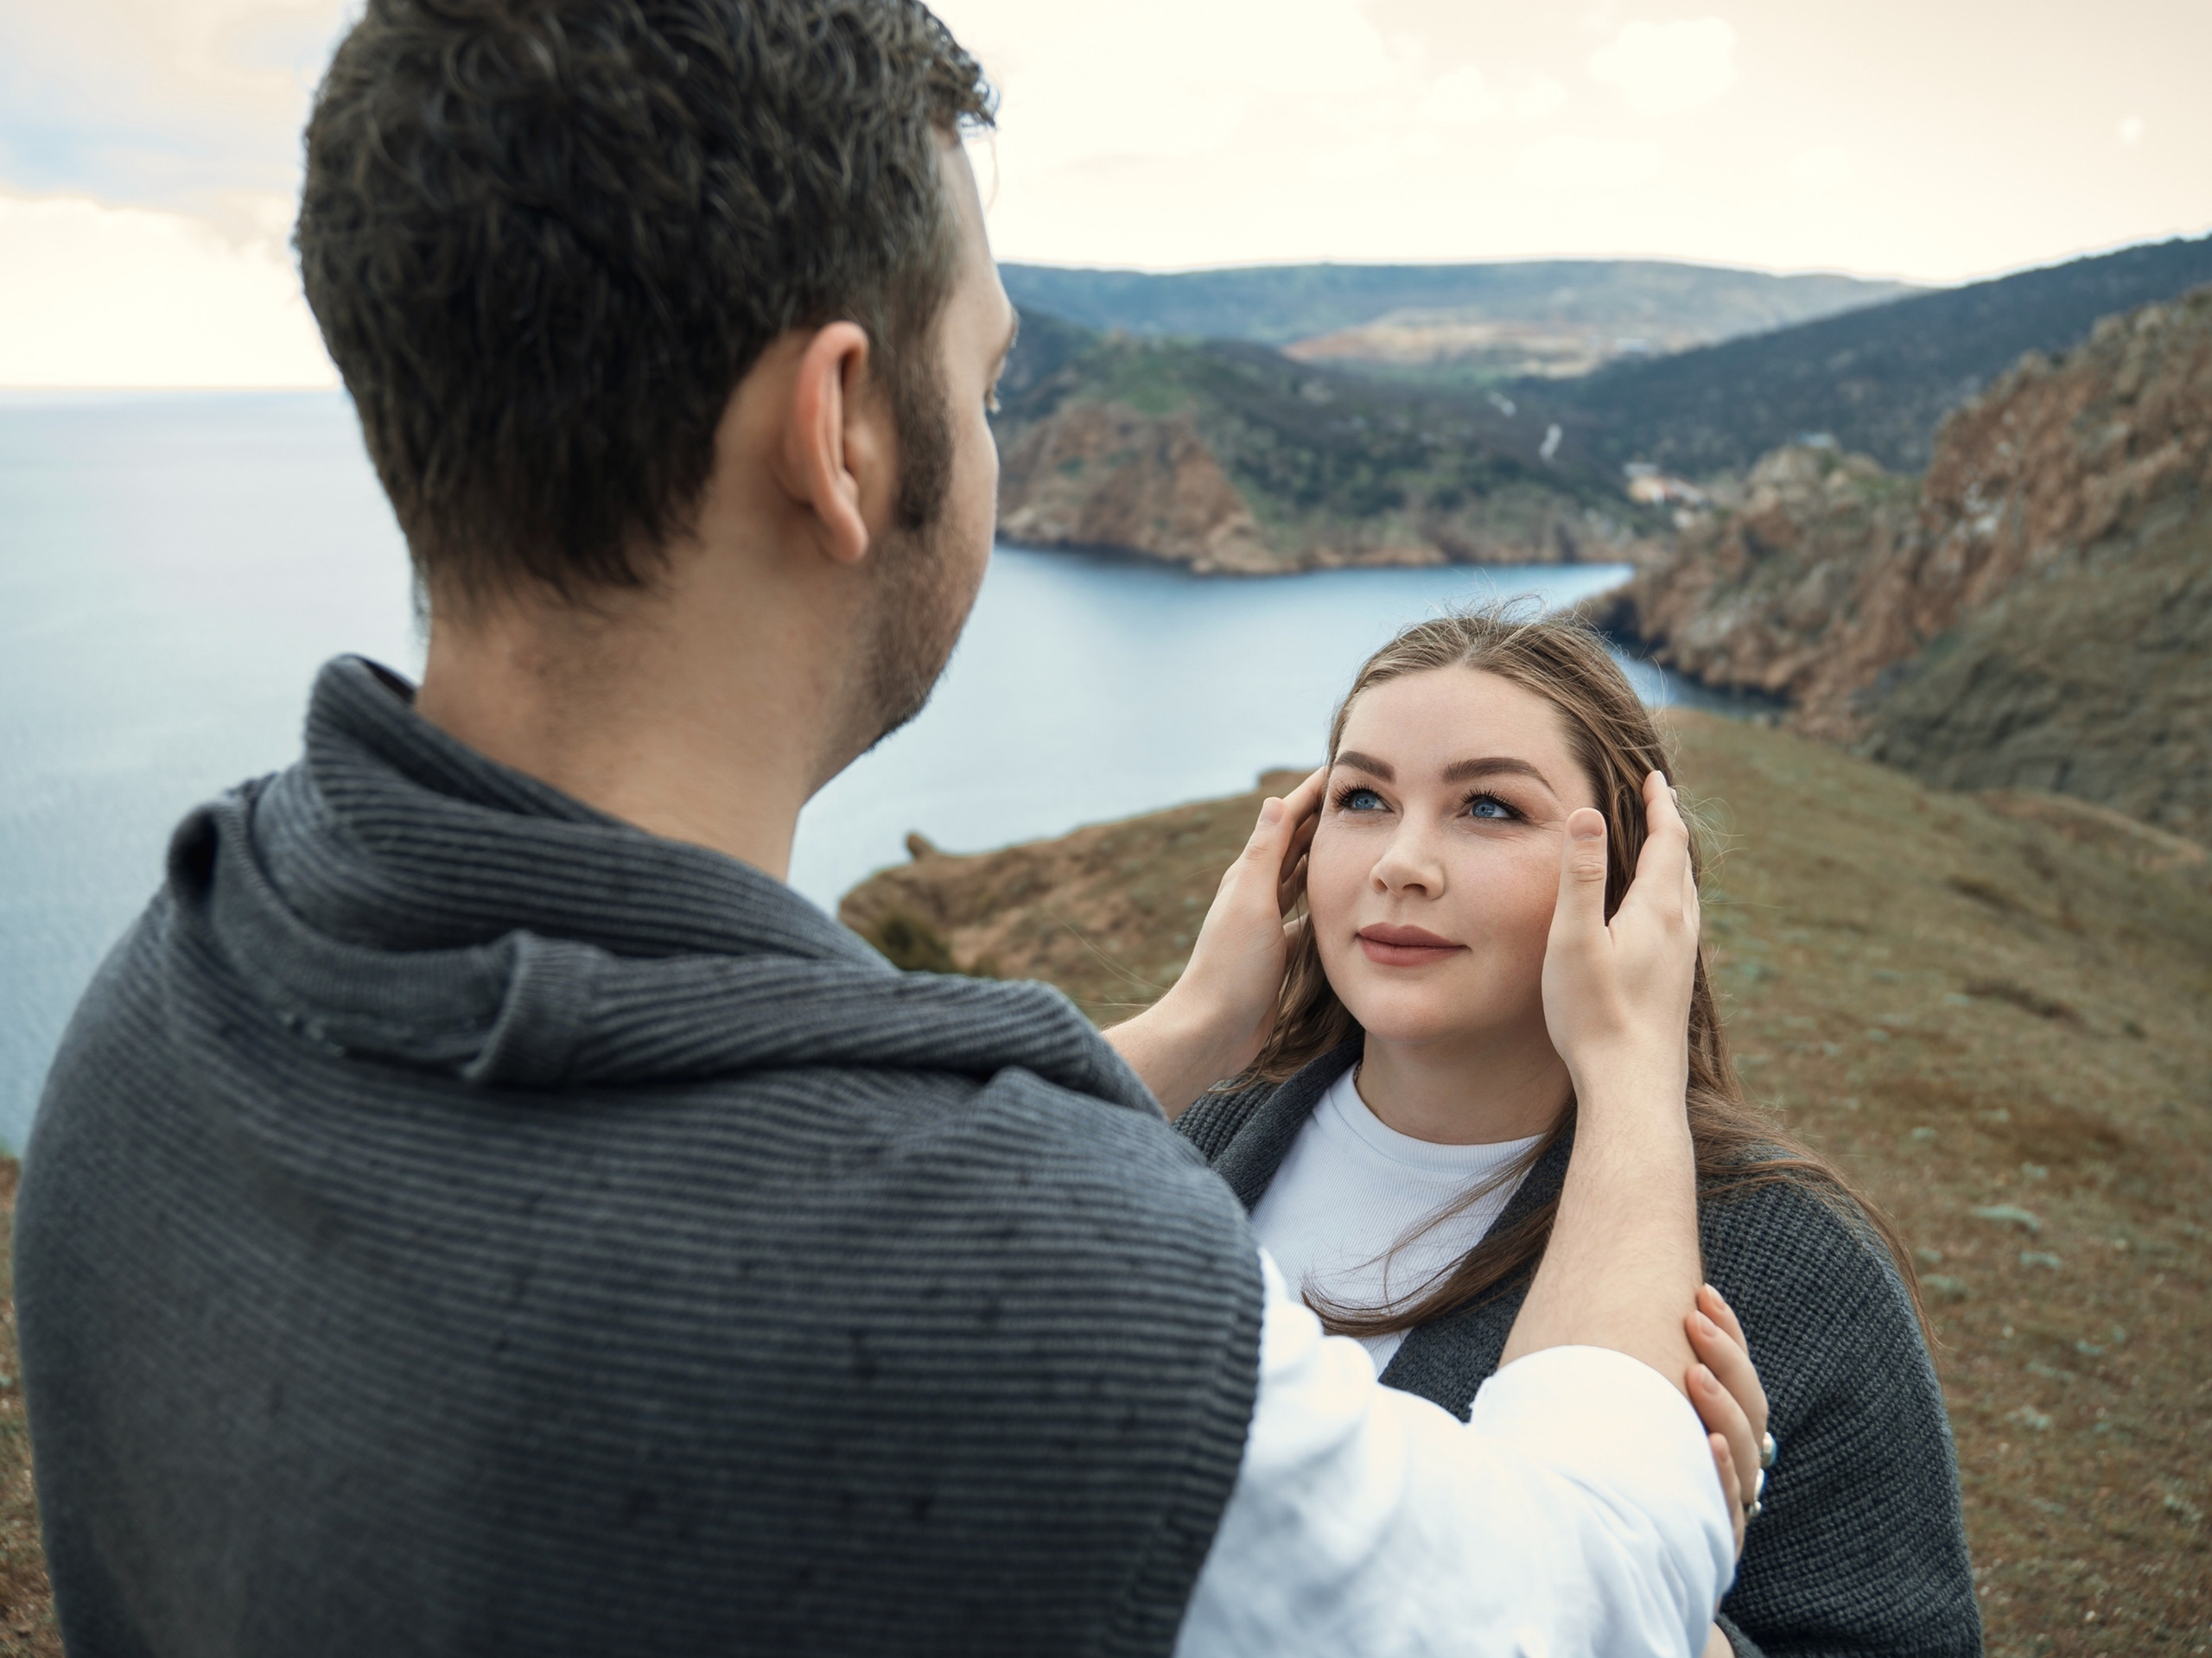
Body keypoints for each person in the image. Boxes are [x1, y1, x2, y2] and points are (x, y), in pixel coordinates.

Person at [17, 3, 1762, 1654]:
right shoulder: (1027, 1302)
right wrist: (1621, 1076)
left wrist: (1186, 1031)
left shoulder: (166, 1000)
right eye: (989, 378)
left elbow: (764, 1118)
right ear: (840, 427)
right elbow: (1580, 1582)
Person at [1144, 610, 1980, 1658]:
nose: (1402, 861)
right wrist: (1194, 1026)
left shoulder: (1787, 1264)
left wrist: (1668, 1621)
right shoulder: (1194, 1139)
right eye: (1362, 798)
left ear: (1634, 880)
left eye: (1487, 806)